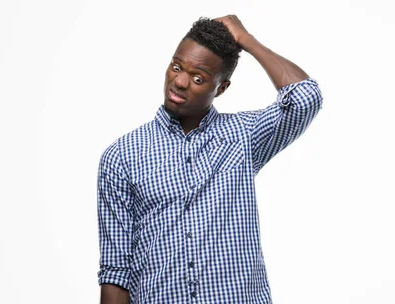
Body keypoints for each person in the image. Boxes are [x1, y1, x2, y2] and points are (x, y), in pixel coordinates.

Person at [97, 15, 322, 304]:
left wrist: (245, 39)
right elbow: (116, 270)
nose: (179, 82)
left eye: (198, 78)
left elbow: (306, 97)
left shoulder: (243, 137)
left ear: (222, 87)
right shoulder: (121, 156)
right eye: (176, 67)